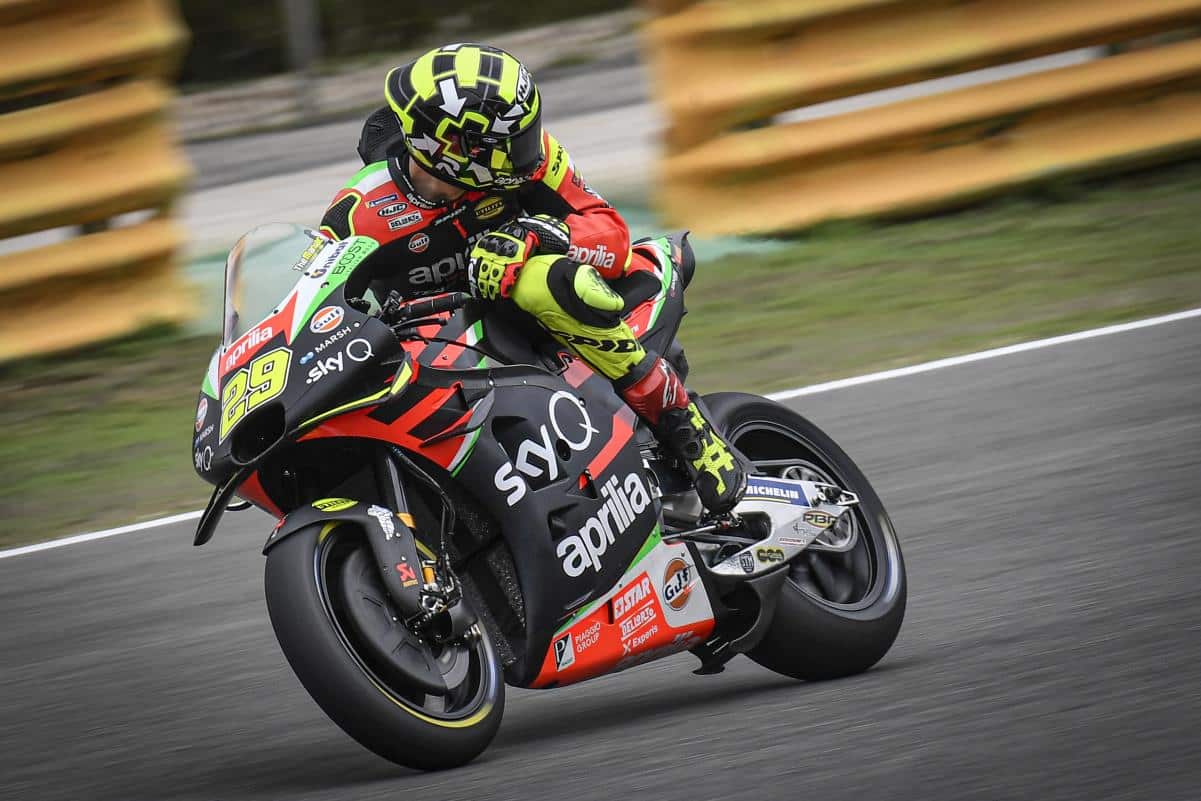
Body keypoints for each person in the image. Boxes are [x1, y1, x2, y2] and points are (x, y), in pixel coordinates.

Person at [317, 43, 745, 514]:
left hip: (550, 324)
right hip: (437, 357)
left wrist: (538, 236)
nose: (528, 150)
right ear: (450, 147)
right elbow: (316, 302)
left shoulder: (530, 163)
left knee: (538, 278)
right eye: (510, 141)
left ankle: (682, 423)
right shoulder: (360, 212)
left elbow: (613, 236)